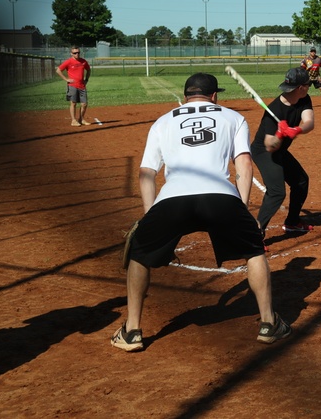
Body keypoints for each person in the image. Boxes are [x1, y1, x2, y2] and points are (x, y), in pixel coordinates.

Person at [111, 73, 290, 352]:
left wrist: (150, 216)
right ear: (214, 96)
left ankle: (132, 330)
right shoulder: (233, 118)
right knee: (254, 250)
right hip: (220, 197)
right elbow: (244, 165)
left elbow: (146, 172)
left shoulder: (162, 122)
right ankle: (268, 323)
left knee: (139, 255)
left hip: (172, 199)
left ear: (185, 96)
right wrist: (240, 211)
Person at [251, 67, 316, 239]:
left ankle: (292, 222)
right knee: (277, 192)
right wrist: (280, 133)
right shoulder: (274, 110)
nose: (309, 87)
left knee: (301, 181)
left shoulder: (304, 99)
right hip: (264, 152)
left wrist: (297, 129)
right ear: (300, 87)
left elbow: (309, 121)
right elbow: (269, 145)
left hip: (279, 150)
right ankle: (256, 234)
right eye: (307, 85)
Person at [56, 46, 92, 126]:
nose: (77, 54)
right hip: (72, 86)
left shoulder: (83, 61)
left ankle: (81, 119)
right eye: (75, 53)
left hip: (82, 86)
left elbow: (88, 70)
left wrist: (86, 80)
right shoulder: (68, 62)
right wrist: (66, 79)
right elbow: (58, 70)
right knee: (73, 103)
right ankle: (73, 120)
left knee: (84, 104)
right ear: (71, 54)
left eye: (78, 52)